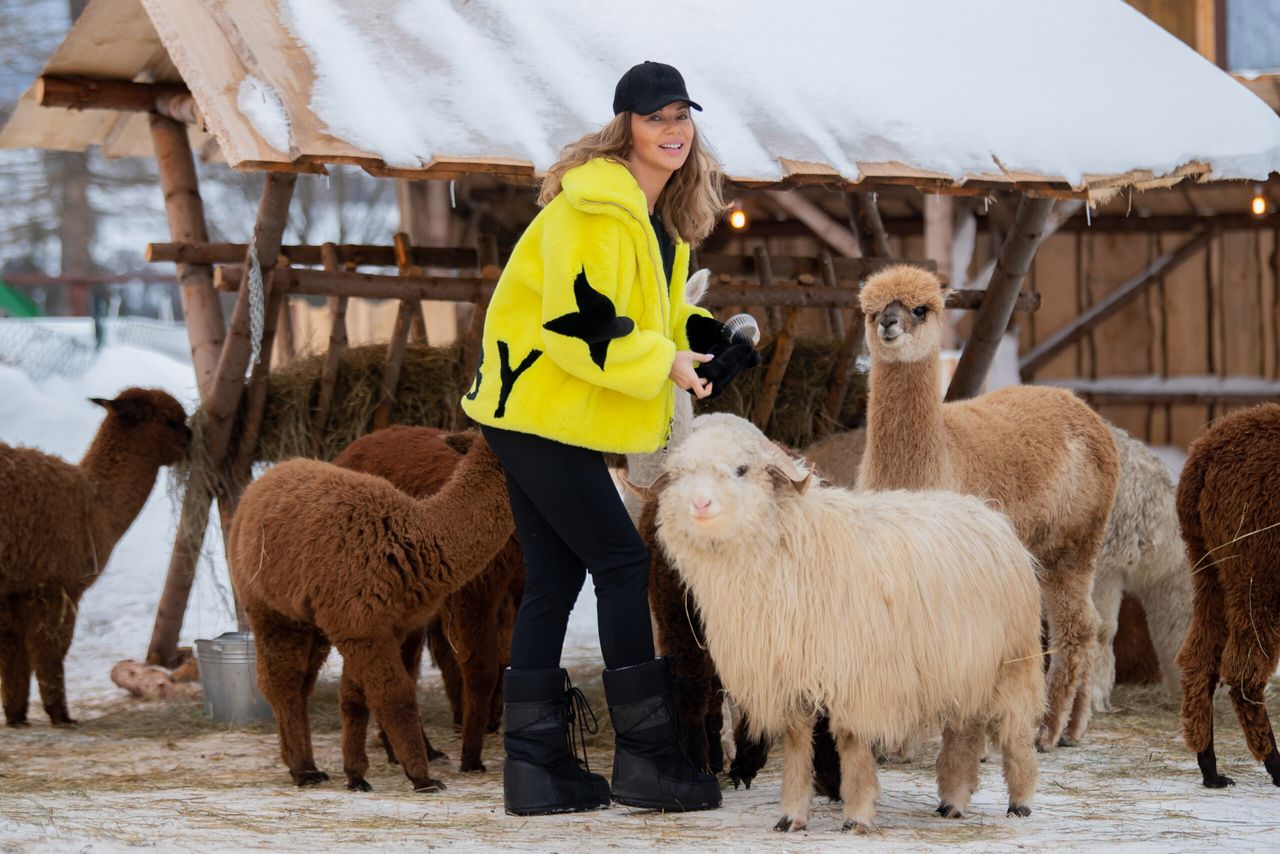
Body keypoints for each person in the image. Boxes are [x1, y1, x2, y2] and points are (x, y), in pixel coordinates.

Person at [460, 61, 754, 816]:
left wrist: (708, 340)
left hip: (547, 413)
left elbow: (643, 320)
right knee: (622, 561)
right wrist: (669, 363)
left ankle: (536, 771)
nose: (674, 129)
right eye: (657, 117)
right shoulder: (594, 212)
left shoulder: (651, 221)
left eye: (683, 114)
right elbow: (576, 329)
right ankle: (648, 759)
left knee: (554, 580)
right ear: (625, 126)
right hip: (539, 408)